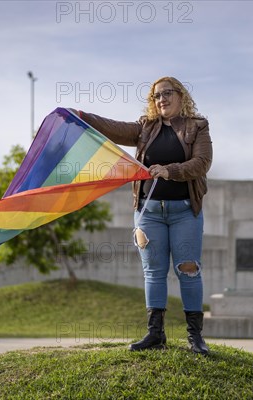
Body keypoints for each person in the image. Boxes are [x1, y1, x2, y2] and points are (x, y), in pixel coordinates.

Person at [75, 76, 213, 355]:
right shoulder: (145, 128)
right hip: (148, 213)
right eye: (156, 96)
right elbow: (112, 129)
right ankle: (155, 334)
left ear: (181, 95)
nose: (161, 99)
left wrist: (170, 170)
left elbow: (202, 162)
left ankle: (195, 337)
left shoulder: (197, 126)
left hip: (185, 211)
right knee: (153, 272)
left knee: (188, 269)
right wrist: (80, 116)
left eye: (167, 93)